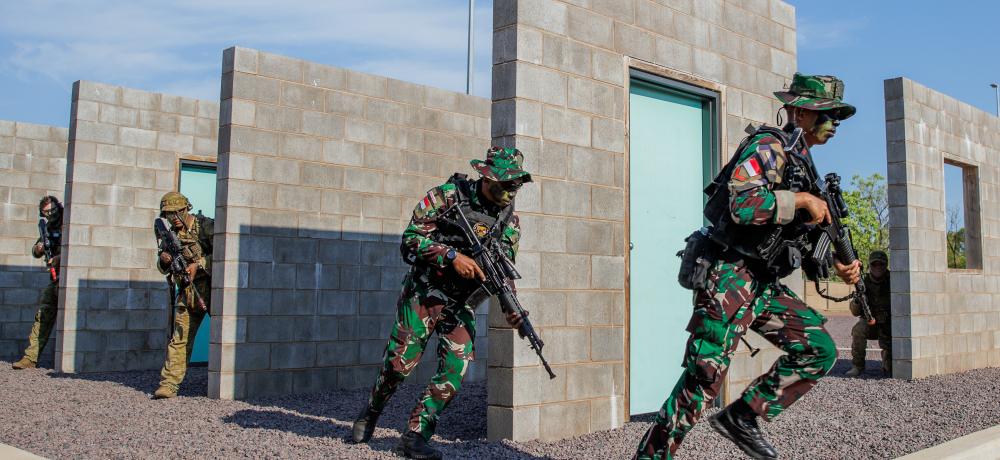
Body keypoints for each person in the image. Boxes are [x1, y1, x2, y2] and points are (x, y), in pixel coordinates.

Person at [634, 73, 862, 460]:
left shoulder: (802, 163)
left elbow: (795, 242)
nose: (835, 123)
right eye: (828, 114)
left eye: (838, 116)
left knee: (818, 348)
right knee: (703, 379)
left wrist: (837, 264)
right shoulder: (768, 146)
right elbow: (743, 206)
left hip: (762, 283)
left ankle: (742, 417)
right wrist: (801, 201)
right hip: (728, 275)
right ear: (800, 113)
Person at [350, 147, 531, 459]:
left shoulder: (509, 221)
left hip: (461, 302)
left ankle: (415, 436)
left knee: (454, 369)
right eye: (505, 184)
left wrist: (512, 306)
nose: (510, 192)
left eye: (515, 185)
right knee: (398, 365)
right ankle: (371, 411)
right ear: (486, 179)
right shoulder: (446, 197)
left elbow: (503, 269)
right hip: (425, 291)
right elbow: (410, 240)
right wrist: (451, 256)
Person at [152, 192, 213, 399]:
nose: (174, 218)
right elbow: (162, 268)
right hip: (187, 292)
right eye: (169, 214)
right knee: (179, 339)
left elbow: (225, 252)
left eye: (177, 213)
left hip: (212, 290)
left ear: (186, 209)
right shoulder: (170, 237)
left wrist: (199, 264)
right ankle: (169, 384)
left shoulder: (204, 227)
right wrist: (165, 260)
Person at [11, 196, 63, 370]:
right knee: (43, 316)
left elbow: (79, 249)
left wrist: (59, 259)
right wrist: (39, 248)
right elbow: (36, 251)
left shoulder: (69, 222)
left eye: (52, 210)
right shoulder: (47, 227)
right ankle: (30, 358)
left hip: (69, 277)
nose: (50, 214)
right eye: (47, 212)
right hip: (55, 278)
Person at [846, 250, 892, 377]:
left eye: (881, 264)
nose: (878, 267)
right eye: (874, 264)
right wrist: (857, 300)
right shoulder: (862, 283)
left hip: (889, 325)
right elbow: (855, 313)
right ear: (870, 266)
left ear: (886, 265)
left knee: (890, 369)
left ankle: (887, 362)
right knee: (858, 330)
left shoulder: (893, 281)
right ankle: (857, 366)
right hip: (870, 323)